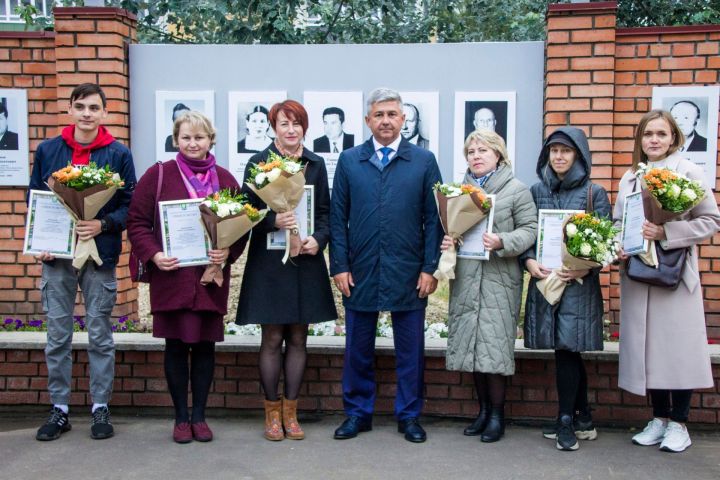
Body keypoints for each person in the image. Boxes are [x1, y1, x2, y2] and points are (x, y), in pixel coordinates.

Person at [330, 88, 443, 443]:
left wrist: (429, 267)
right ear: (367, 120)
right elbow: (337, 218)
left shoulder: (424, 161)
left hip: (408, 270)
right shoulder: (350, 161)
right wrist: (339, 266)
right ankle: (357, 414)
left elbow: (434, 219)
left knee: (410, 351)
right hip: (360, 269)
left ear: (403, 119)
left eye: (392, 114)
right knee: (357, 349)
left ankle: (409, 416)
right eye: (379, 115)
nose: (386, 121)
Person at [127, 111, 247, 444]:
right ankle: (181, 417)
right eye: (186, 137)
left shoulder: (225, 180)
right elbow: (136, 222)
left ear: (211, 140)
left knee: (206, 346)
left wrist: (228, 254)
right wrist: (153, 254)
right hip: (173, 276)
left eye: (199, 137)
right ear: (175, 140)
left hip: (209, 279)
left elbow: (241, 228)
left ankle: (200, 417)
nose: (193, 144)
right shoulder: (159, 175)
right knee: (176, 346)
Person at [29, 83, 137, 441]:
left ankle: (99, 407)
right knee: (57, 336)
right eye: (81, 107)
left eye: (94, 107)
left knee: (100, 336)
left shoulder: (118, 154)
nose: (87, 113)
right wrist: (39, 241)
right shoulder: (48, 150)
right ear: (70, 110)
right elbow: (38, 199)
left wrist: (102, 223)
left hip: (99, 254)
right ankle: (59, 408)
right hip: (57, 256)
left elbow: (130, 206)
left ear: (104, 113)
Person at [613, 109, 720, 453]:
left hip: (674, 275)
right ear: (640, 140)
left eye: (661, 134)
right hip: (639, 275)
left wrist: (666, 231)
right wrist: (618, 244)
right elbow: (619, 221)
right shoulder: (630, 177)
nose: (654, 140)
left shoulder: (688, 172)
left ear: (674, 137)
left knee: (677, 350)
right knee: (651, 350)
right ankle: (659, 418)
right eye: (648, 134)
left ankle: (679, 423)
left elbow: (711, 220)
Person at [236, 100, 336, 441]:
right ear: (273, 128)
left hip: (305, 261)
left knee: (298, 337)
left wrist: (318, 240)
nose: (291, 130)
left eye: (297, 124)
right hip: (269, 263)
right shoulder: (257, 162)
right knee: (272, 337)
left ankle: (291, 413)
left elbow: (325, 212)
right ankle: (271, 413)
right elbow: (243, 211)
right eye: (284, 124)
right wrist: (271, 220)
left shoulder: (316, 164)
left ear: (304, 128)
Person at [443, 129, 537, 443]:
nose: (476, 156)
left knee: (493, 350)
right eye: (471, 152)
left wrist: (503, 241)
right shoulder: (459, 192)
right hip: (467, 278)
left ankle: (497, 415)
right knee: (472, 348)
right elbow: (453, 229)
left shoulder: (516, 189)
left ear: (498, 154)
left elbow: (530, 229)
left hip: (499, 280)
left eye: (483, 150)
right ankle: (482, 411)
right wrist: (450, 239)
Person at [521, 127, 610, 451]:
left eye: (566, 151)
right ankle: (583, 416)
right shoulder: (536, 190)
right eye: (553, 151)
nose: (558, 156)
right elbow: (526, 235)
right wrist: (529, 262)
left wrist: (584, 264)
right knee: (565, 349)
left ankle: (565, 421)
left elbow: (605, 245)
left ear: (579, 156)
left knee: (567, 350)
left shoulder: (594, 193)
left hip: (578, 286)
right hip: (546, 283)